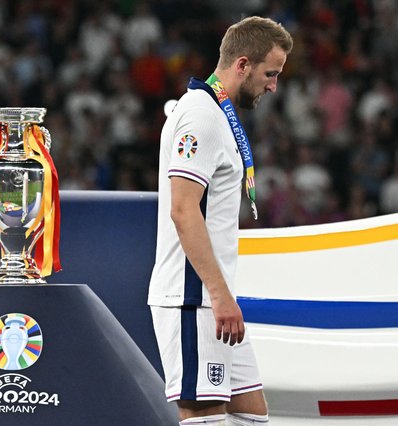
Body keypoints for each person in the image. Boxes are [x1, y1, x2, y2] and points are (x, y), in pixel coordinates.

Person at [148, 16, 293, 425]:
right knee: (204, 415)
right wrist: (218, 294)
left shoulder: (215, 112)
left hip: (210, 298)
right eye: (270, 74)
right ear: (242, 64)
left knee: (251, 413)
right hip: (192, 297)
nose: (273, 86)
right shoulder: (201, 116)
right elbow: (183, 208)